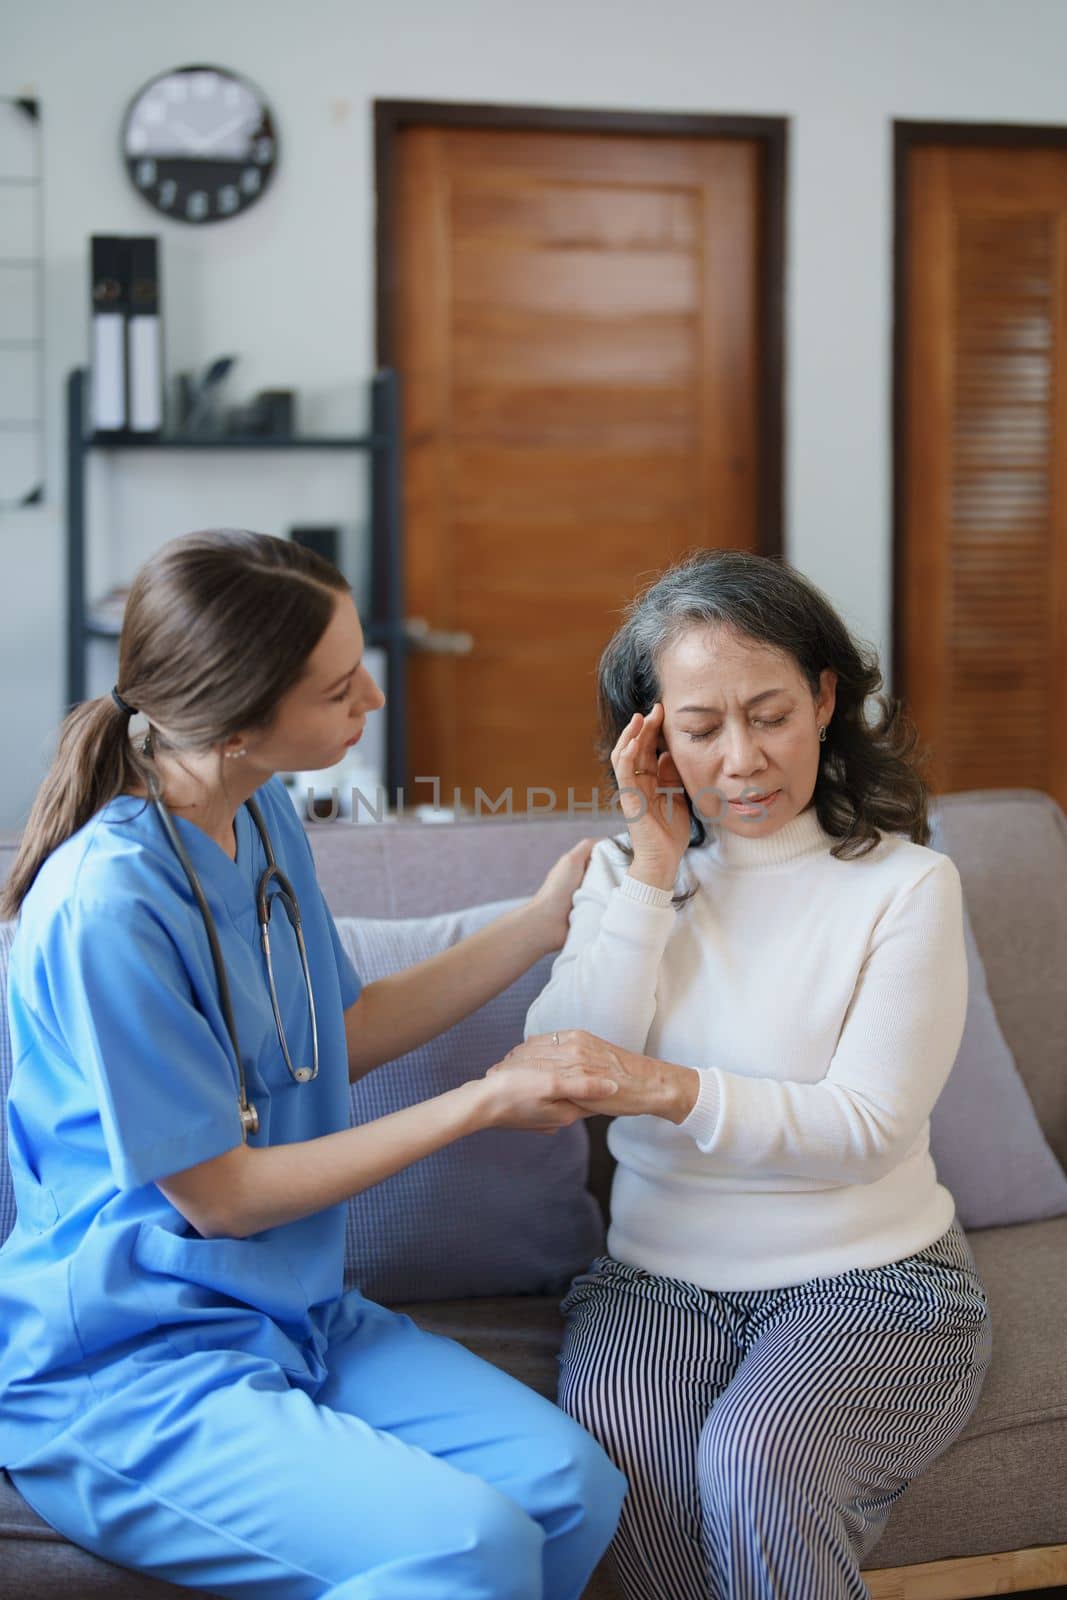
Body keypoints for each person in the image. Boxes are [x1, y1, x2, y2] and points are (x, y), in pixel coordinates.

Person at [0, 528, 627, 1600]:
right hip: (129, 1367)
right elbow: (223, 1198)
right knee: (464, 1545)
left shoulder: (261, 811)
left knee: (571, 1488)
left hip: (296, 1318)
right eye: (340, 687)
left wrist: (536, 927)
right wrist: (478, 1104)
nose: (375, 698)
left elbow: (341, 1027)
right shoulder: (108, 906)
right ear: (240, 719)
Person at [495, 549, 993, 1600]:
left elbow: (864, 1126)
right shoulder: (622, 880)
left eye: (767, 715)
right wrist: (652, 867)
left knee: (755, 1460)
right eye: (700, 726)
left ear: (822, 700)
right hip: (654, 1280)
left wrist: (663, 1088)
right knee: (616, 1466)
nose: (740, 761)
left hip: (873, 1282)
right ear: (651, 737)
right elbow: (559, 1065)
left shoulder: (905, 886)